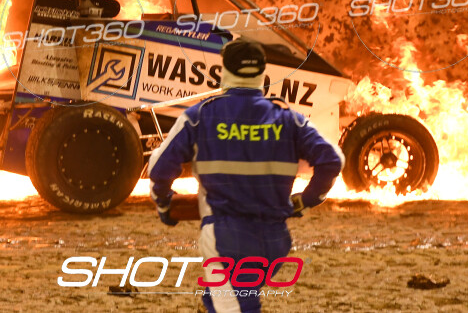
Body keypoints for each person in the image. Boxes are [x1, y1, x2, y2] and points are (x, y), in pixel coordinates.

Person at [147, 37, 343, 312]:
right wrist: (306, 200)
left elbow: (159, 168)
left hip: (226, 237)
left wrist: (165, 204)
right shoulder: (289, 119)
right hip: (275, 240)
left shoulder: (200, 116)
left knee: (235, 304)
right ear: (262, 73)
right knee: (222, 298)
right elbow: (332, 161)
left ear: (225, 70)